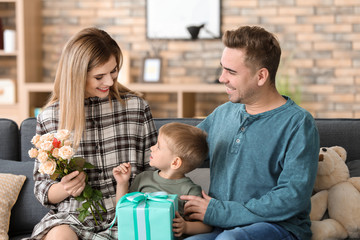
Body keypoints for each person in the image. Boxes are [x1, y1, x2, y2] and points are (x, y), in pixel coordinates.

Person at [181, 26, 320, 240]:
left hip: (278, 227)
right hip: (221, 226)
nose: (221, 78)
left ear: (261, 76)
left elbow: (292, 197)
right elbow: (183, 152)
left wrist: (219, 212)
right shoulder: (223, 113)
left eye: (231, 72)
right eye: (222, 68)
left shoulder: (298, 123)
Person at [28, 27, 158, 240]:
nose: (109, 81)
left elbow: (155, 172)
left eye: (114, 71)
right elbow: (43, 188)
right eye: (99, 76)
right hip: (73, 218)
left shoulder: (136, 108)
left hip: (127, 215)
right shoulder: (50, 117)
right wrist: (64, 188)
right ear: (77, 75)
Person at [113, 122, 213, 238]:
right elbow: (122, 215)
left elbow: (207, 226)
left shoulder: (190, 191)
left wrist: (186, 227)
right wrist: (122, 183)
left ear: (175, 162)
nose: (152, 147)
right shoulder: (143, 178)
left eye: (158, 146)